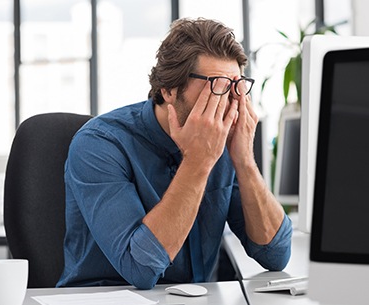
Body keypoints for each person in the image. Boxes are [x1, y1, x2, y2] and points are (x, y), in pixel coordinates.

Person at [57, 17, 292, 289]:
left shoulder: (226, 143)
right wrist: (198, 161)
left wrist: (244, 161)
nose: (229, 103)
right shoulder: (99, 144)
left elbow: (276, 254)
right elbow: (140, 270)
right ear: (168, 89)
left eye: (236, 87)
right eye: (217, 86)